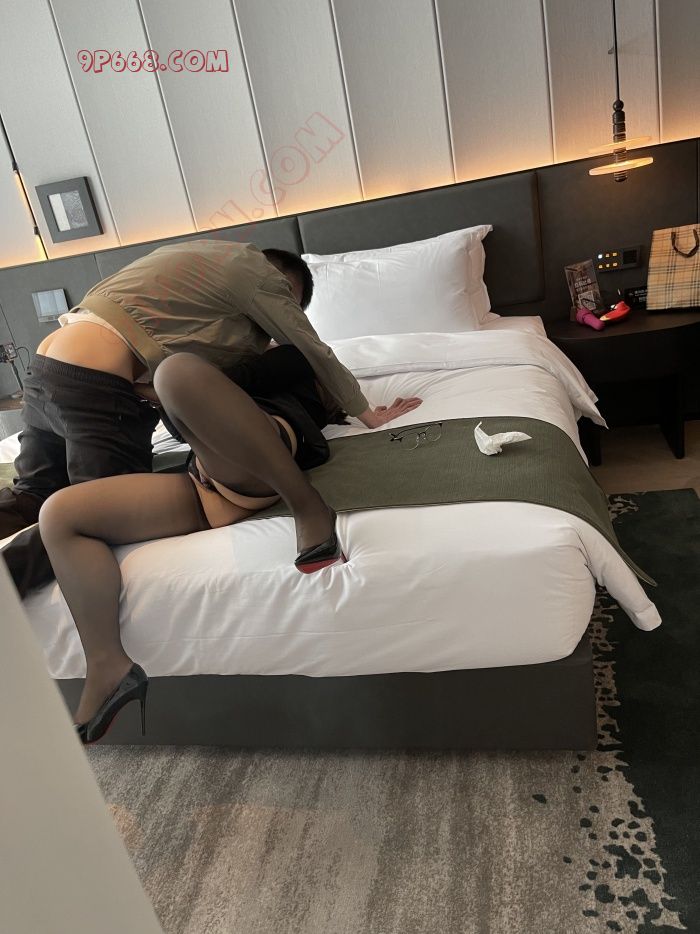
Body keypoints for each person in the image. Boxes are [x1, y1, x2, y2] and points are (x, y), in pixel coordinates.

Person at [39, 344, 421, 744]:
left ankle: (307, 505)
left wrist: (362, 409)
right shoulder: (199, 377)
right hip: (206, 485)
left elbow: (235, 380)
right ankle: (106, 662)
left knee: (175, 371)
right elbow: (186, 417)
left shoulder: (290, 356)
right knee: (59, 515)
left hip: (268, 460)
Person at [1, 240, 420, 594]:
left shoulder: (189, 267)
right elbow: (310, 346)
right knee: (97, 516)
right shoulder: (261, 276)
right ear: (284, 285)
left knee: (32, 496)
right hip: (94, 384)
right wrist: (366, 412)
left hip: (44, 369)